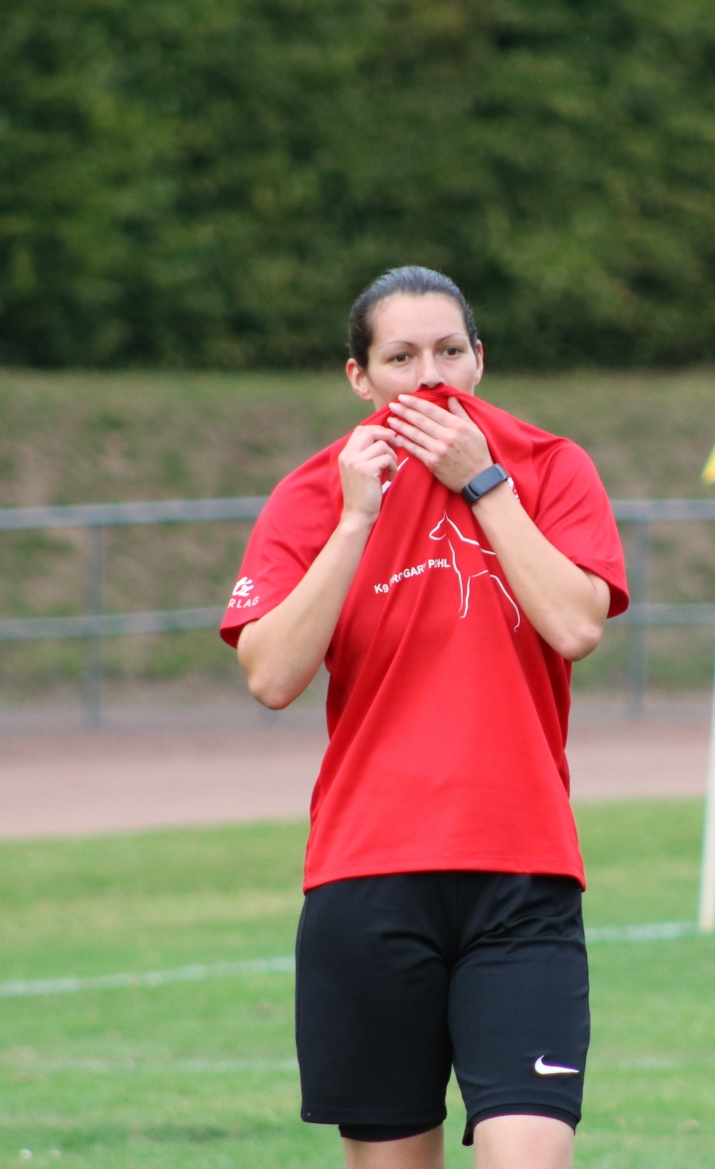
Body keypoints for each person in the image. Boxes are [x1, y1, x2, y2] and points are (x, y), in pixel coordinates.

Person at [220, 266, 628, 1169]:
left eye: (448, 351)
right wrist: (354, 521)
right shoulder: (313, 492)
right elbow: (272, 677)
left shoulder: (551, 466)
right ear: (360, 377)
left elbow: (576, 626)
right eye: (401, 357)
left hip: (521, 874)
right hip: (366, 876)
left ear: (479, 360)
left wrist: (483, 483)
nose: (430, 375)